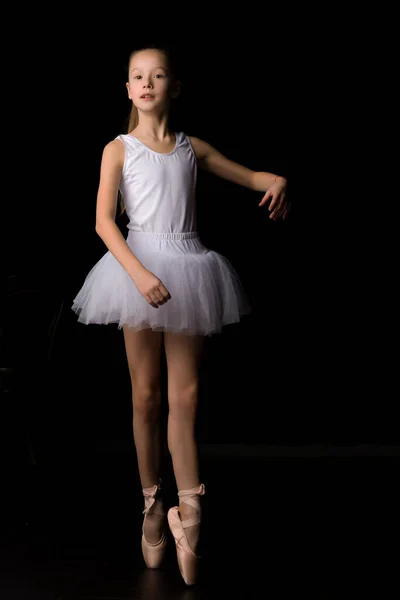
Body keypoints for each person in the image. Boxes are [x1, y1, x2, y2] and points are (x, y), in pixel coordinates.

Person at [72, 44, 289, 586]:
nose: (147, 83)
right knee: (145, 396)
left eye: (158, 75)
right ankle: (151, 504)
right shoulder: (117, 148)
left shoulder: (194, 148)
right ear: (127, 90)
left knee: (185, 398)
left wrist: (277, 181)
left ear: (174, 87)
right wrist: (138, 274)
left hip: (191, 266)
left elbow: (254, 176)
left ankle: (190, 514)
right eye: (137, 77)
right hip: (136, 269)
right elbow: (102, 222)